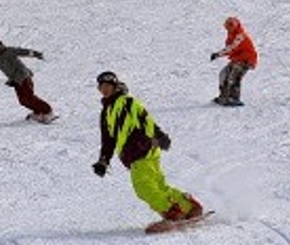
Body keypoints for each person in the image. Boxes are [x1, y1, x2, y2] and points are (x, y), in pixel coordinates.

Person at [91, 71, 205, 227]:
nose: (104, 90)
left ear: (115, 86)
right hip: (143, 152)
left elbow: (146, 121)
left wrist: (159, 136)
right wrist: (103, 160)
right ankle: (189, 206)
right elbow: (108, 140)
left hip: (140, 151)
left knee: (143, 187)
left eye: (107, 86)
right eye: (101, 87)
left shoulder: (127, 102)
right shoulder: (106, 112)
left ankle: (172, 211)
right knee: (158, 186)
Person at [0, 38, 55, 122]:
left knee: (29, 97)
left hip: (23, 76)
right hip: (15, 80)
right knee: (23, 101)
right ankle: (38, 112)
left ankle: (48, 112)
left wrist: (35, 54)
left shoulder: (8, 51)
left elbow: (22, 51)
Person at [210, 17, 258, 106]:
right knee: (223, 74)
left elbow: (231, 48)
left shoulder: (240, 35)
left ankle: (234, 98)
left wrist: (218, 54)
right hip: (237, 59)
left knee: (234, 75)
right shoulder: (231, 35)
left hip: (246, 60)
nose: (228, 28)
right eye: (227, 26)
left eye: (230, 26)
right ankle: (224, 96)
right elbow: (230, 49)